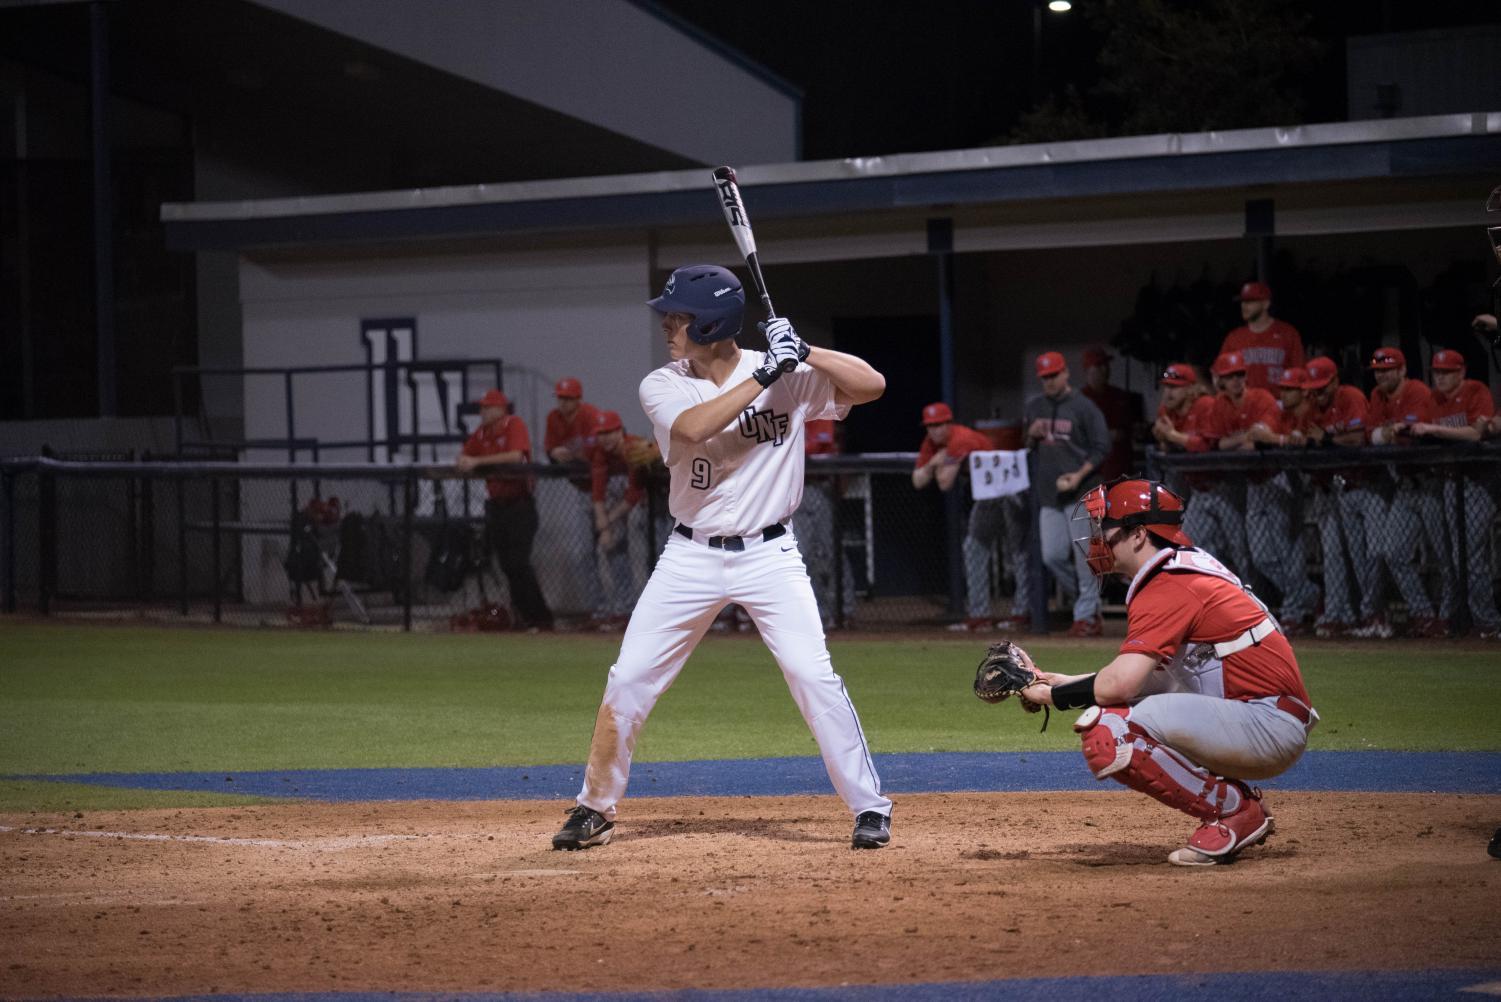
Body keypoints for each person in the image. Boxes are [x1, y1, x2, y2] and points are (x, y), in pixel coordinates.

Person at [552, 263, 894, 852]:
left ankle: (870, 807)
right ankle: (594, 807)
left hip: (772, 554)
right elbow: (693, 427)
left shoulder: (788, 369)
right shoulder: (664, 383)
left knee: (814, 677)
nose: (668, 327)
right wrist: (768, 371)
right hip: (690, 557)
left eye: (679, 317)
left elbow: (872, 386)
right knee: (630, 677)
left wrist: (807, 351)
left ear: (711, 322)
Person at [1017, 477, 1316, 867]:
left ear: (1139, 534)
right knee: (1125, 711)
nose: (1098, 541)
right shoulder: (1179, 566)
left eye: (1106, 530)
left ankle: (1234, 813)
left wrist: (1050, 697)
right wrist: (1061, 682)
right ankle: (1238, 806)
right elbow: (1149, 682)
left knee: (1110, 731)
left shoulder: (1168, 582)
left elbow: (1121, 684)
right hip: (1263, 715)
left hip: (1265, 721)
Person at [913, 402, 1033, 632]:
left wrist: (937, 462)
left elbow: (944, 482)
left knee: (1017, 551)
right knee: (974, 547)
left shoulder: (960, 439)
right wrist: (935, 462)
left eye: (939, 424)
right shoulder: (932, 443)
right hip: (989, 493)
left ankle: (1022, 613)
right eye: (930, 426)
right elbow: (917, 481)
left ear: (949, 423)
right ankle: (980, 616)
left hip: (1011, 488)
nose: (934, 430)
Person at [1411, 349, 1501, 639]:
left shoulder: (1476, 390)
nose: (1441, 377)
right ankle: (1455, 616)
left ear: (1461, 372)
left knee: (1471, 556)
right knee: (1454, 557)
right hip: (1449, 483)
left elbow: (1476, 433)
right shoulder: (1433, 399)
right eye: (1437, 372)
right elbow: (1418, 428)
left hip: (1479, 481)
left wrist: (1434, 430)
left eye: (1448, 372)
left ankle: (1487, 620)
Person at [1024, 352, 1110, 637]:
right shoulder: (1035, 406)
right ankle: (1088, 605)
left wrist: (1078, 476)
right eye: (1044, 377)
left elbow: (1101, 448)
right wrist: (1031, 435)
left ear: (1065, 374)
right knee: (1052, 556)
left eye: (1053, 375)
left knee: (1084, 558)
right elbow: (1025, 445)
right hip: (1049, 495)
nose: (1049, 381)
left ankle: (1086, 615)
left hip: (1081, 494)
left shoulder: (1084, 407)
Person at [456, 389, 554, 630]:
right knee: (507, 565)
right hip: (497, 507)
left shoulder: (513, 423)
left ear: (501, 409)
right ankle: (522, 617)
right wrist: (467, 460)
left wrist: (477, 462)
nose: (483, 412)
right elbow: (463, 456)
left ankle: (541, 618)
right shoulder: (482, 433)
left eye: (487, 407)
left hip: (520, 505)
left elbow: (515, 455)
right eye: (482, 407)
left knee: (519, 562)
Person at [1363, 346, 1442, 638]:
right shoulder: (1377, 396)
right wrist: (1386, 433)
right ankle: (1424, 614)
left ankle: (1454, 615)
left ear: (1402, 370)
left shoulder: (1418, 391)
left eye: (1387, 369)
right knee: (1393, 553)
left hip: (1433, 482)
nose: (1382, 376)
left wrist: (1387, 434)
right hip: (1405, 487)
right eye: (1378, 371)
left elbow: (1410, 433)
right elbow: (1370, 435)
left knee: (1447, 555)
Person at [1300, 356, 1378, 638]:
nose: (1317, 394)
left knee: (1362, 556)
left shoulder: (1351, 396)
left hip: (1362, 486)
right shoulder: (1310, 408)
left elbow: (1358, 438)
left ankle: (1371, 614)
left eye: (1322, 387)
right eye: (1313, 388)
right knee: (1332, 555)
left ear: (1334, 381)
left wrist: (1326, 440)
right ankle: (1337, 615)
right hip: (1329, 490)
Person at [1241, 365, 1321, 632]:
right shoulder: (1282, 414)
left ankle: (1295, 610)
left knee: (1290, 553)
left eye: (1291, 390)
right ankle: (1309, 596)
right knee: (1262, 557)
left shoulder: (1309, 414)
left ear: (1304, 392)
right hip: (1269, 483)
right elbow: (1257, 436)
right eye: (1283, 389)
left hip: (1294, 487)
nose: (1285, 394)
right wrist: (1282, 438)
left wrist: (1277, 439)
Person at [1177, 352, 1265, 580]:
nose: (1235, 380)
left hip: (1229, 486)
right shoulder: (1218, 404)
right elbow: (1215, 443)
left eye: (1239, 375)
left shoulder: (1210, 403)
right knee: (1194, 548)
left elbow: (1249, 445)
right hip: (1203, 490)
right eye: (1228, 376)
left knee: (1240, 550)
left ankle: (1250, 598)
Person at [544, 377, 603, 619]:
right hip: (580, 490)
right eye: (561, 397)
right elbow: (550, 450)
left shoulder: (589, 415)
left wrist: (575, 454)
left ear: (578, 399)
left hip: (606, 487)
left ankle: (621, 609)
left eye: (568, 398)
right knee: (583, 553)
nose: (563, 402)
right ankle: (596, 609)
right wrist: (553, 453)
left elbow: (596, 453)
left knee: (614, 552)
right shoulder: (553, 419)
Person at [588, 409, 652, 629]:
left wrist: (606, 521)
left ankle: (646, 611)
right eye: (600, 433)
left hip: (645, 509)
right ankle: (621, 609)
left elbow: (634, 494)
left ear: (619, 431)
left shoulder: (633, 447)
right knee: (610, 552)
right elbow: (597, 492)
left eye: (608, 432)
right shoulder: (600, 453)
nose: (604, 438)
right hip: (617, 509)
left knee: (639, 556)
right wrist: (603, 525)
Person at [800, 419, 858, 629]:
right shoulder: (786, 409)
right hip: (795, 489)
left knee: (831, 552)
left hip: (820, 486)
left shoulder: (820, 412)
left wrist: (790, 448)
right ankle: (821, 612)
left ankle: (846, 610)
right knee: (802, 555)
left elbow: (819, 445)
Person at [1220, 281, 1305, 392]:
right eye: (1242, 302)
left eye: (1250, 301)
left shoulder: (1288, 333)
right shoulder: (1233, 338)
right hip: (1245, 403)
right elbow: (1221, 374)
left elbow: (1299, 373)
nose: (1244, 306)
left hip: (1279, 403)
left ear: (1266, 304)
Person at [1079, 345, 1146, 483]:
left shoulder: (1120, 396)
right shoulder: (1078, 400)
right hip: (1092, 472)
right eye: (1099, 365)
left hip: (1121, 467)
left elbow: (1133, 428)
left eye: (1106, 364)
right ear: (1087, 370)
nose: (1105, 369)